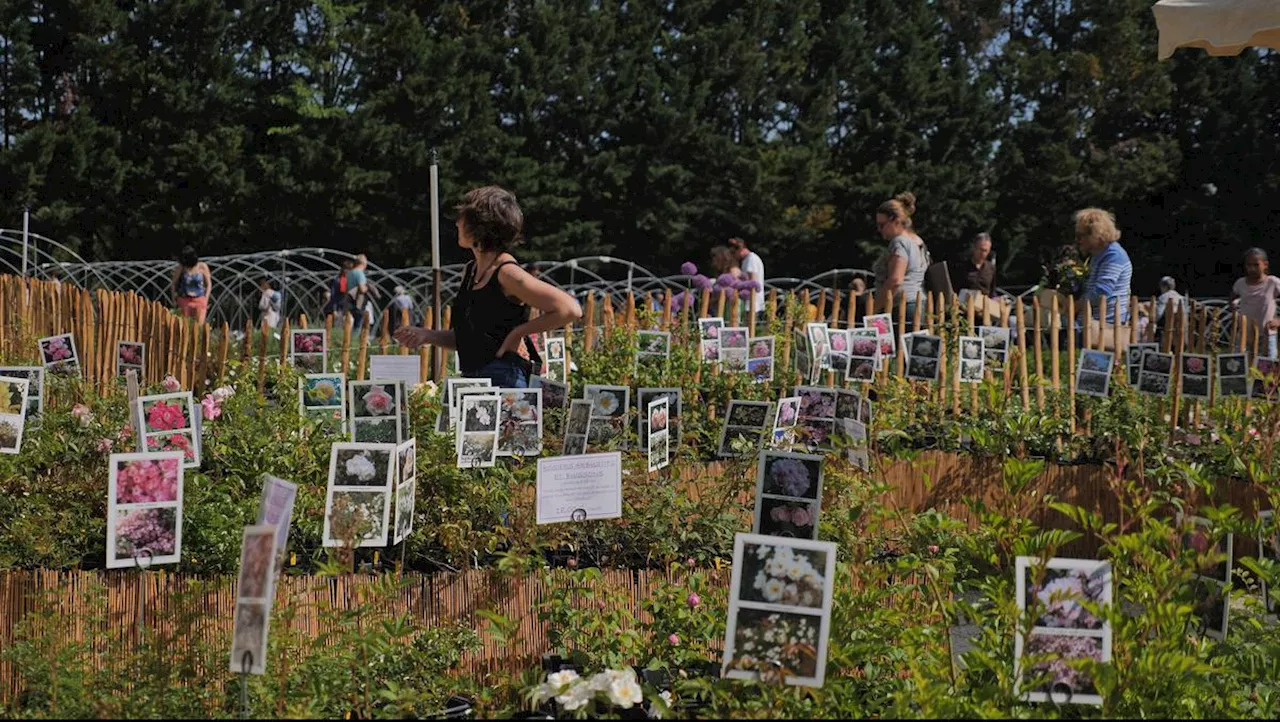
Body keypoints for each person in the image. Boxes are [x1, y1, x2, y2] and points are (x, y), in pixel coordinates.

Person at [393, 185, 582, 388]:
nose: (457, 223)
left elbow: (569, 309)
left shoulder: (507, 273)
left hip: (505, 380)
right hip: (475, 382)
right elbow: (471, 339)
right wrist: (428, 335)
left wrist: (517, 333)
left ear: (480, 226)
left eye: (463, 218)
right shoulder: (470, 271)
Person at [1073, 208, 1133, 351]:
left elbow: (1101, 292)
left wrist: (1075, 306)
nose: (1078, 240)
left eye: (1082, 235)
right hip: (1094, 323)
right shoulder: (1099, 255)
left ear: (1096, 234)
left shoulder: (1113, 255)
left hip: (1106, 325)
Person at [872, 191, 930, 317]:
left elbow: (895, 280)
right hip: (919, 303)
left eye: (882, 225)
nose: (879, 229)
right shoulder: (918, 241)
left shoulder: (899, 242)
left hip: (902, 307)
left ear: (896, 221)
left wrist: (874, 309)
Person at [1231, 248, 1280, 358]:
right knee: (1239, 368)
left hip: (1266, 335)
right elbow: (1232, 298)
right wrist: (1234, 309)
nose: (1252, 269)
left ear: (1265, 265)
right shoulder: (1240, 283)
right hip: (1244, 335)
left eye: (1256, 265)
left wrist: (1278, 320)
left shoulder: (1272, 282)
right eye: (1249, 265)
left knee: (1266, 372)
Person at [171, 246, 212, 324]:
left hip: (199, 300)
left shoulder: (202, 267)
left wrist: (206, 298)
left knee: (199, 326)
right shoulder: (181, 268)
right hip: (184, 300)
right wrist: (174, 299)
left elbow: (209, 284)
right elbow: (173, 283)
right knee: (185, 326)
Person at [728, 237, 766, 314]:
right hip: (749, 303)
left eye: (733, 252)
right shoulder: (746, 260)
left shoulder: (751, 259)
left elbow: (753, 282)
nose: (733, 256)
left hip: (753, 304)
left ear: (740, 249)